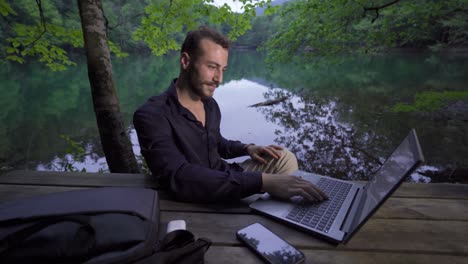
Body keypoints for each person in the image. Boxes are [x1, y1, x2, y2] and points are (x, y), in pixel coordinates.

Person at [133, 26, 327, 203]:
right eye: (211, 67)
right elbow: (178, 176)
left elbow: (215, 142)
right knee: (276, 182)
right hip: (196, 192)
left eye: (223, 69)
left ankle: (276, 211)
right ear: (185, 61)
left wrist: (248, 148)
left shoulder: (209, 104)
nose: (219, 79)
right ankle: (263, 214)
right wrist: (263, 182)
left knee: (283, 157)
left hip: (225, 175)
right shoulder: (152, 115)